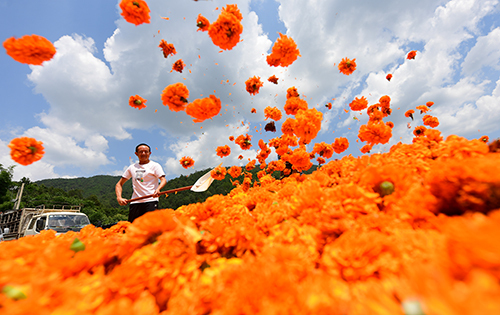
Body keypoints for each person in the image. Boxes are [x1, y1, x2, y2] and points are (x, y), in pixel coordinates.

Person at [116, 143, 167, 222]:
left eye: (146, 151)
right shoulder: (132, 167)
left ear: (150, 153)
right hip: (135, 202)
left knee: (150, 227)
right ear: (136, 154)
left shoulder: (155, 166)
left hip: (151, 200)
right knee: (133, 228)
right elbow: (119, 184)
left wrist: (158, 189)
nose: (143, 153)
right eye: (141, 152)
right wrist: (119, 197)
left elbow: (163, 180)